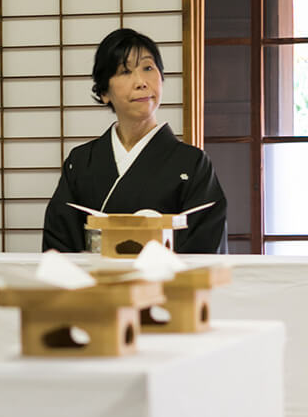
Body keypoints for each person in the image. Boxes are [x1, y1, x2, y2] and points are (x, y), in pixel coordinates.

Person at [42, 28, 229, 253]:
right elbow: (60, 248)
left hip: (165, 287)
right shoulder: (81, 162)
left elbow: (205, 249)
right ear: (104, 92)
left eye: (148, 68)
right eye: (125, 71)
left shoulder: (193, 164)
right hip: (94, 286)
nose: (141, 82)